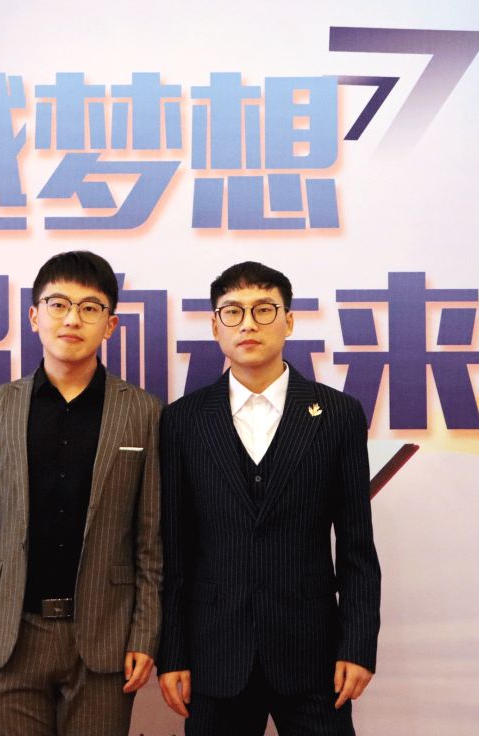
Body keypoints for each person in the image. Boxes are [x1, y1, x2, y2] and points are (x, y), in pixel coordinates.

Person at [156, 261, 381, 736]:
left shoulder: (337, 414)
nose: (248, 324)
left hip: (314, 655)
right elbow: (175, 551)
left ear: (289, 321)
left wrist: (358, 646)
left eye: (263, 310)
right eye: (233, 312)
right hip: (215, 657)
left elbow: (357, 548)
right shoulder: (182, 421)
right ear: (215, 326)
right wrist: (172, 653)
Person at [0, 251, 162, 736]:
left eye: (90, 308)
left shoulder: (142, 412)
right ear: (34, 316)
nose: (72, 319)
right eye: (58, 304)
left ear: (110, 325)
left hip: (104, 638)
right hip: (12, 635)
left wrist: (145, 634)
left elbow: (150, 539)